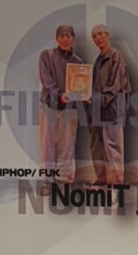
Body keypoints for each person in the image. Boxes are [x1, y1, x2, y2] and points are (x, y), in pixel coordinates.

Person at [38, 24, 84, 184]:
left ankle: (64, 179)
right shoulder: (47, 55)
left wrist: (84, 95)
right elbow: (46, 79)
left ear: (73, 39)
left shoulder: (78, 62)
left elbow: (81, 86)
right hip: (49, 106)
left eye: (68, 36)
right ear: (56, 38)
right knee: (47, 144)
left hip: (70, 109)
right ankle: (46, 179)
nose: (65, 39)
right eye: (62, 36)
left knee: (67, 145)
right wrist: (59, 95)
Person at [89, 26, 130, 186]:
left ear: (107, 35)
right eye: (94, 36)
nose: (98, 38)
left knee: (113, 148)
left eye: (100, 34)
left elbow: (116, 84)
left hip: (112, 109)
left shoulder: (115, 56)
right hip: (97, 109)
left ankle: (116, 184)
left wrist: (100, 100)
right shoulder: (97, 61)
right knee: (98, 147)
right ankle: (101, 179)